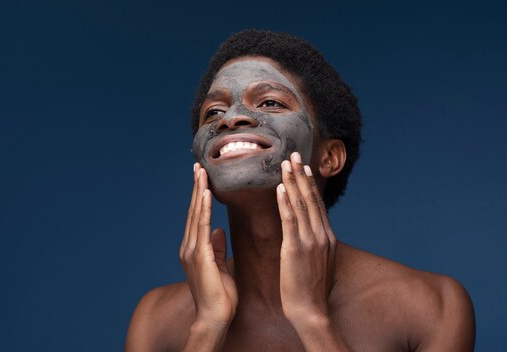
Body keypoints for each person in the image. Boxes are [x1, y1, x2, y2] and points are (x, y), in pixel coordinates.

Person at [125, 29, 475, 351]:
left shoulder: (431, 307)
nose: (230, 119)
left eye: (270, 102)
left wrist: (312, 320)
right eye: (214, 111)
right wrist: (207, 327)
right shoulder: (156, 322)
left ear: (329, 156)